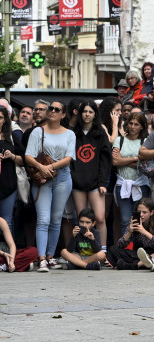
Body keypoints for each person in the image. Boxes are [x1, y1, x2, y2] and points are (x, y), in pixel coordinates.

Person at [25, 101, 76, 272]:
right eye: (50, 109)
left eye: (57, 109)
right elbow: (28, 156)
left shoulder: (70, 134)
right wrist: (42, 168)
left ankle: (50, 255)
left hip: (62, 177)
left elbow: (69, 158)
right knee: (43, 219)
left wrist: (51, 167)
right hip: (42, 178)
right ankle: (41, 258)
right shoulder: (37, 132)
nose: (52, 111)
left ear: (63, 115)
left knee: (56, 219)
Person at [71, 101, 112, 249]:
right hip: (78, 184)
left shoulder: (101, 133)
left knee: (100, 218)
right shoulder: (72, 133)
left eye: (90, 112)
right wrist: (73, 177)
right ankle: (84, 249)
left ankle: (102, 250)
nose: (87, 114)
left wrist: (102, 183)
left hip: (96, 183)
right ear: (80, 113)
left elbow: (105, 160)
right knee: (81, 220)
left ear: (95, 114)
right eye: (85, 111)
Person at [108, 198, 154, 270]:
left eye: (144, 212)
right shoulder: (135, 222)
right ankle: (144, 264)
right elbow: (120, 244)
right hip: (138, 254)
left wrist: (144, 231)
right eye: (139, 212)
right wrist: (129, 232)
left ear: (151, 212)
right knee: (113, 249)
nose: (141, 215)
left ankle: (133, 264)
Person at [0, 107, 23, 230]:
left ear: (5, 120)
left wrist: (12, 156)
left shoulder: (12, 136)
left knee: (7, 220)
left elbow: (23, 160)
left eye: (0, 117)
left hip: (8, 183)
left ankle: (9, 249)